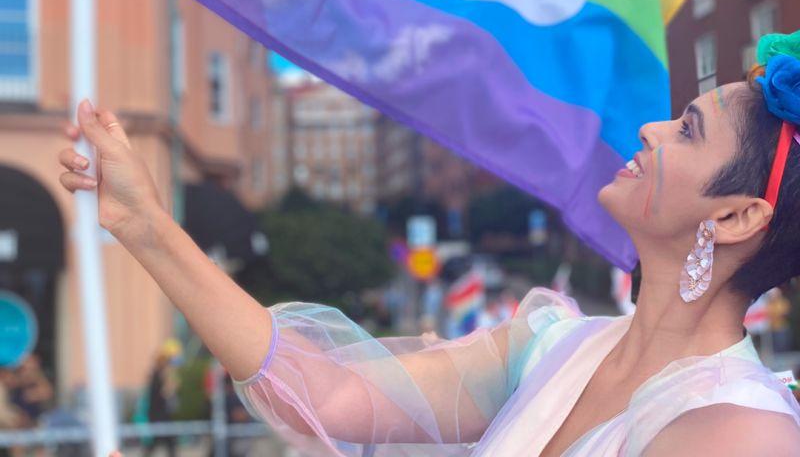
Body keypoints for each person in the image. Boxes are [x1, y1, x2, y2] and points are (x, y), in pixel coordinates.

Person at [56, 31, 800, 456]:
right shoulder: (552, 346)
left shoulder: (740, 431)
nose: (651, 128)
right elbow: (322, 394)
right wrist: (145, 225)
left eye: (688, 129)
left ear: (736, 218)